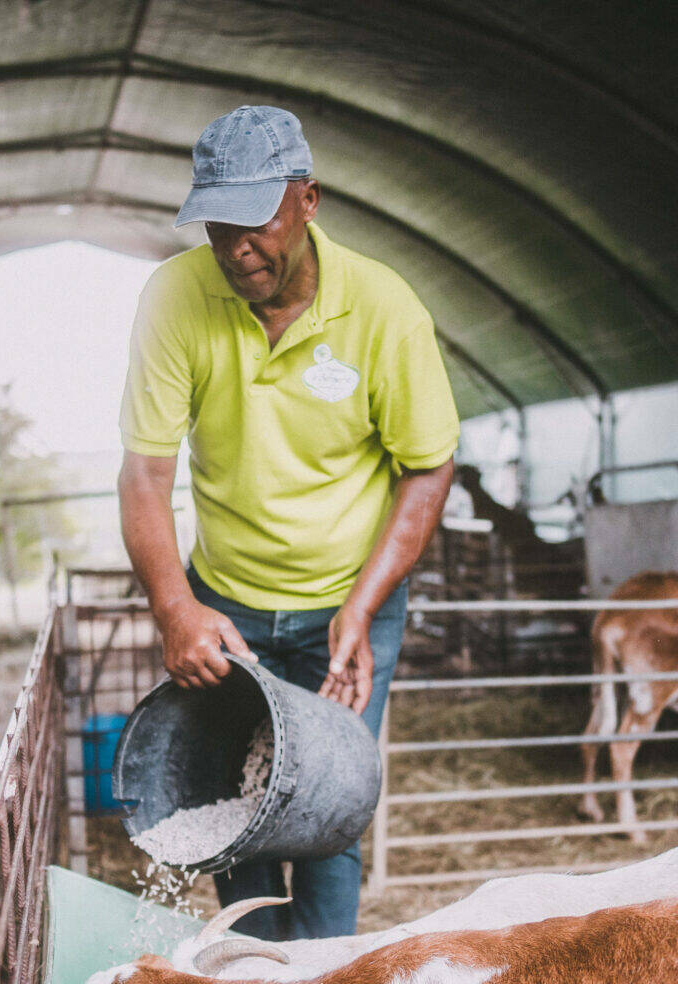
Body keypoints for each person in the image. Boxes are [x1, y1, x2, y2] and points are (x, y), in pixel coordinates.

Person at [116, 105, 459, 941]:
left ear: (309, 201)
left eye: (258, 220)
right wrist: (176, 610)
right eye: (218, 223)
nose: (238, 247)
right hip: (225, 601)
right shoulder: (174, 297)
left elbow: (428, 468)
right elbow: (144, 474)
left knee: (332, 805)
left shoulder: (384, 309)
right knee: (235, 809)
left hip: (346, 603)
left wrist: (364, 606)